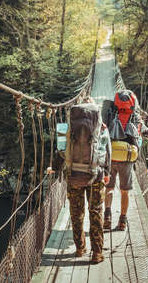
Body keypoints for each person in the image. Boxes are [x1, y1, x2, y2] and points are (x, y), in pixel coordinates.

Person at [50, 97, 112, 264]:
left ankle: (79, 249)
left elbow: (61, 150)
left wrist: (54, 168)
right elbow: (107, 151)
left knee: (76, 214)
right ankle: (97, 253)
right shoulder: (101, 128)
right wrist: (107, 172)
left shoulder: (67, 128)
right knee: (95, 213)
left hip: (73, 177)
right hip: (95, 177)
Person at [103, 90, 148, 231]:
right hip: (127, 159)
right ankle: (122, 222)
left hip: (111, 157)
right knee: (124, 191)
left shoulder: (109, 116)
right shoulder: (136, 118)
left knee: (109, 188)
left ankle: (107, 218)